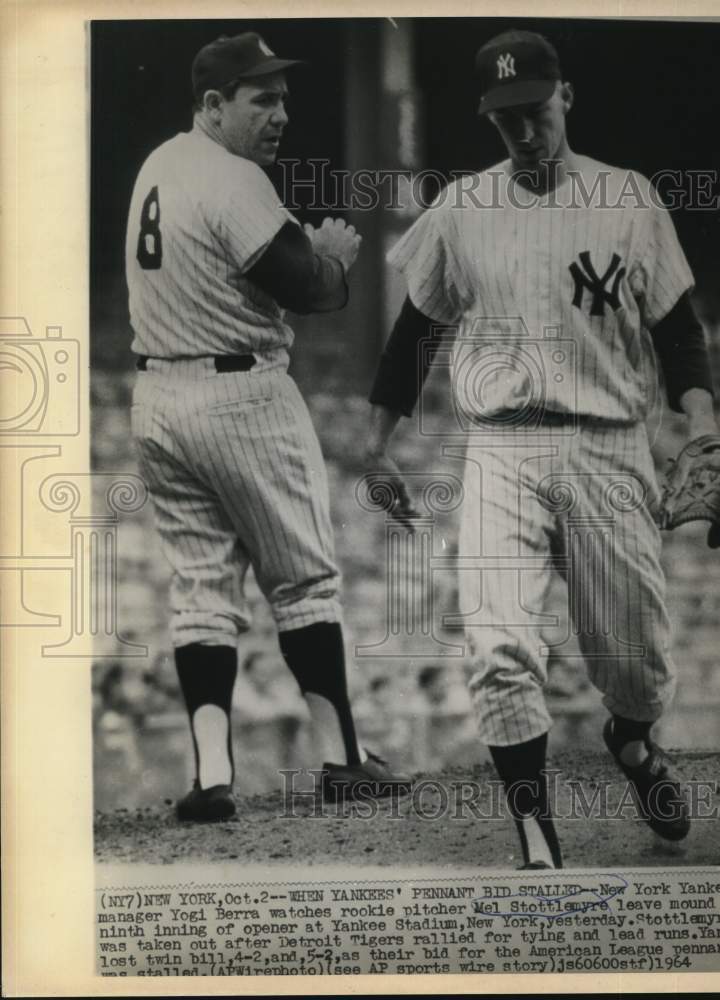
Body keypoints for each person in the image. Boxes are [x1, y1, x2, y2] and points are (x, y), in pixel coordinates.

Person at [365, 30, 720, 868]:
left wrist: (702, 423)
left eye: (534, 111)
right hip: (499, 446)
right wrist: (378, 444)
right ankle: (534, 830)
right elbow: (415, 331)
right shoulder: (463, 208)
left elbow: (678, 332)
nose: (523, 131)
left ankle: (634, 744)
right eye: (505, 120)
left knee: (637, 665)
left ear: (564, 96)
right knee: (498, 647)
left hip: (609, 444)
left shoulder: (629, 199)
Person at [125, 32, 409, 822]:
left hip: (157, 398)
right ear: (213, 106)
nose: (280, 112)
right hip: (240, 396)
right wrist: (334, 256)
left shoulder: (159, 163)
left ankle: (212, 776)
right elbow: (311, 291)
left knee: (202, 593)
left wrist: (305, 258)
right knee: (305, 581)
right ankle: (342, 760)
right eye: (261, 98)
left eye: (283, 97)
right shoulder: (235, 177)